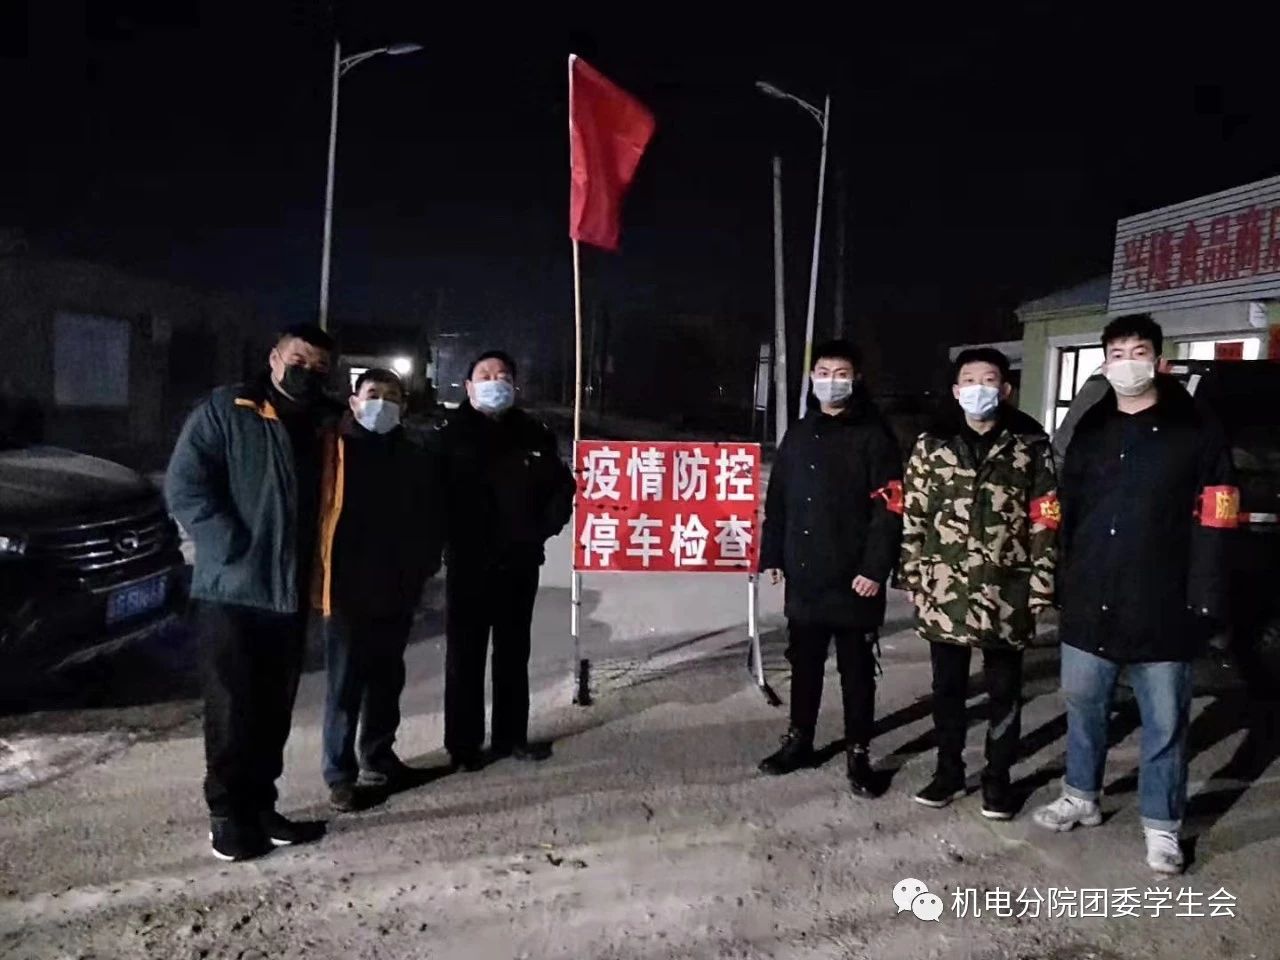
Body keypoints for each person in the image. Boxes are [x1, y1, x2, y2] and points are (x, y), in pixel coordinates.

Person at [1032, 315, 1236, 875]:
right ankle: (1081, 795)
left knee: (1165, 722)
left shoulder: (1195, 429)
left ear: (1159, 361)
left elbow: (1218, 515)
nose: (1128, 363)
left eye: (1138, 351)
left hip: (1164, 600)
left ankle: (1162, 825)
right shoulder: (1091, 429)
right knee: (1084, 706)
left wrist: (1205, 596)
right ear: (1104, 364)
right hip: (1091, 594)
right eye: (1117, 353)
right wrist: (1060, 578)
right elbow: (1067, 510)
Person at [166, 323, 342, 862]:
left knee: (272, 711)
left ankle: (262, 808)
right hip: (234, 592)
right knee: (231, 709)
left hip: (289, 593)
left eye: (319, 367)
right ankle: (227, 817)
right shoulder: (228, 410)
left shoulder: (326, 423)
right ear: (273, 358)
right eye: (298, 360)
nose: (306, 372)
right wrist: (229, 543)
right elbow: (185, 485)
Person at [899, 348, 1058, 820]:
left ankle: (997, 780)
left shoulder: (1030, 444)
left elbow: (1046, 517)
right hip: (944, 587)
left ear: (1005, 389)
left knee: (1004, 692)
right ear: (955, 390)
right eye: (969, 380)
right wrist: (911, 573)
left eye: (989, 380)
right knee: (948, 689)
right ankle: (948, 773)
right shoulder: (932, 444)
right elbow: (915, 513)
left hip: (1006, 588)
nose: (979, 389)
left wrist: (1042, 582)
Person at [758, 340, 904, 797]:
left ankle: (858, 752)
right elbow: (779, 500)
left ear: (856, 379)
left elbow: (890, 509)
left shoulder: (874, 437)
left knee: (856, 672)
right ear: (812, 378)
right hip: (806, 574)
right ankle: (799, 740)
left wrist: (875, 568)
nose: (831, 381)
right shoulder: (799, 434)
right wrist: (773, 554)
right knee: (804, 664)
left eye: (841, 373)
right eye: (823, 372)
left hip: (855, 578)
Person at [433, 350, 575, 770]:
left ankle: (511, 737)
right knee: (465, 656)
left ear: (514, 385)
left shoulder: (534, 432)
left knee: (513, 653)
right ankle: (463, 746)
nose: (495, 381)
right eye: (485, 375)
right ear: (469, 386)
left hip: (519, 560)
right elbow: (429, 496)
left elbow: (561, 487)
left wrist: (542, 528)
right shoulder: (448, 435)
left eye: (503, 375)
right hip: (468, 562)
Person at [322, 369, 441, 813]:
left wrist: (424, 567)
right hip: (346, 587)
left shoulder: (413, 454)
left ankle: (379, 756)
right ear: (353, 402)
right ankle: (339, 775)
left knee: (387, 679)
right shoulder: (334, 451)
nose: (382, 403)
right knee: (345, 685)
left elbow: (430, 514)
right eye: (373, 394)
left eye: (392, 397)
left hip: (397, 586)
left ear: (404, 407)